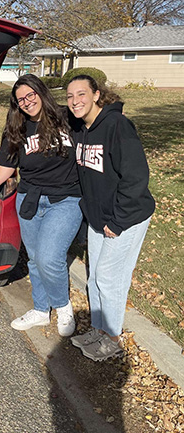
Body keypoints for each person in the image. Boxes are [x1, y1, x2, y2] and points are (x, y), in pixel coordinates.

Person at [0, 74, 82, 337]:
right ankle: (40, 310)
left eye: (30, 95)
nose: (27, 102)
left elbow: (99, 130)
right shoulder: (17, 129)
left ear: (40, 92)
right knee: (35, 258)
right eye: (21, 99)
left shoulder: (68, 118)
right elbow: (1, 171)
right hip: (30, 199)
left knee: (50, 257)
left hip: (66, 199)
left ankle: (63, 306)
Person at [66, 75, 155, 361]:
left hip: (126, 217)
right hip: (98, 216)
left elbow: (136, 177)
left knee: (109, 278)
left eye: (81, 94)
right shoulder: (81, 129)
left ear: (95, 95)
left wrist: (117, 222)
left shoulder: (117, 125)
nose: (75, 101)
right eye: (70, 96)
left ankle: (113, 340)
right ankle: (99, 329)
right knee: (95, 279)